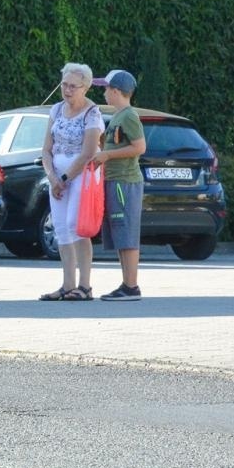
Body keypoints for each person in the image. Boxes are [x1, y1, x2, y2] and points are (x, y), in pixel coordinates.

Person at [39, 63, 104, 301]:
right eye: (64, 85)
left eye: (73, 86)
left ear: (85, 87)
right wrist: (53, 177)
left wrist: (64, 179)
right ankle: (67, 285)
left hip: (82, 177)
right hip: (57, 176)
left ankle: (85, 286)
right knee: (61, 229)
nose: (67, 90)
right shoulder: (56, 110)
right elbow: (46, 149)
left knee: (76, 225)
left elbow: (88, 153)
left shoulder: (92, 113)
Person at [93, 69, 147, 301]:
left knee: (126, 232)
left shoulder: (129, 116)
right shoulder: (118, 116)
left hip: (124, 182)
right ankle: (126, 284)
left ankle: (132, 286)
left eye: (106, 89)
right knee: (119, 234)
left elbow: (139, 147)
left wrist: (107, 157)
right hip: (114, 181)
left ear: (116, 91)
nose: (104, 93)